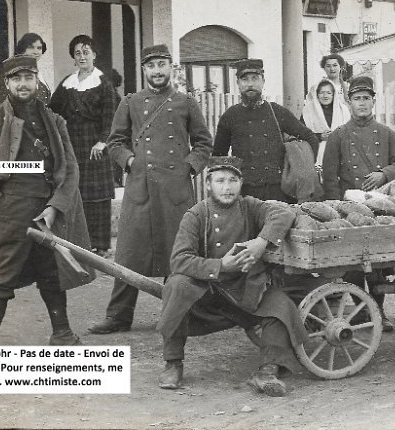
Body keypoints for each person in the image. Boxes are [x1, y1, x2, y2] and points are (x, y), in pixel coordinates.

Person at [0, 55, 91, 345]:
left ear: (37, 81)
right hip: (10, 210)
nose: (23, 84)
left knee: (51, 270)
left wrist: (56, 206)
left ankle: (62, 333)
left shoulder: (54, 121)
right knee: (2, 272)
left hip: (46, 212)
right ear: (7, 84)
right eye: (16, 79)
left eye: (28, 77)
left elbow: (69, 167)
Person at [88, 44, 213, 334]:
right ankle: (118, 316)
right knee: (129, 252)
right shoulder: (130, 102)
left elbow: (204, 143)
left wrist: (188, 168)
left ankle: (180, 313)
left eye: (161, 65)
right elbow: (115, 141)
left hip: (175, 191)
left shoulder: (186, 103)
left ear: (171, 68)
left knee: (179, 253)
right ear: (144, 70)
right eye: (151, 66)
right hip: (140, 189)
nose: (157, 71)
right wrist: (129, 161)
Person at [156, 156, 307, 395]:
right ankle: (173, 362)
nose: (227, 187)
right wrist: (220, 264)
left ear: (241, 182)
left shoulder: (250, 206)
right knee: (177, 285)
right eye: (220, 181)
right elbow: (179, 259)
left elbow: (283, 214)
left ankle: (267, 371)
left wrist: (261, 242)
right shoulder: (195, 215)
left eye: (233, 180)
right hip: (206, 293)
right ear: (208, 184)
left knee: (281, 307)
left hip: (244, 289)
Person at [322, 75, 395, 332]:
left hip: (381, 207)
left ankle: (378, 310)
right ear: (348, 103)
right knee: (354, 265)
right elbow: (329, 177)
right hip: (350, 211)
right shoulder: (338, 136)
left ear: (374, 101)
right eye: (357, 99)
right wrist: (338, 208)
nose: (362, 103)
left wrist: (384, 174)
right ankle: (362, 311)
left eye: (366, 99)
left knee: (379, 264)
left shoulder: (386, 133)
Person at [213, 58, 319, 202]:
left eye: (255, 78)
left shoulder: (277, 112)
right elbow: (218, 157)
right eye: (245, 79)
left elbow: (310, 137)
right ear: (237, 83)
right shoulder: (230, 116)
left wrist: (302, 169)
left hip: (278, 191)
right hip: (245, 192)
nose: (250, 84)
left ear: (263, 81)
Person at [49, 35, 118, 256]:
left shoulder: (103, 83)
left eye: (86, 52)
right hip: (73, 144)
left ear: (94, 55)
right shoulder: (68, 83)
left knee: (97, 197)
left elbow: (112, 116)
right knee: (76, 191)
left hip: (95, 146)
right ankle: (81, 242)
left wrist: (102, 141)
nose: (82, 56)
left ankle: (101, 246)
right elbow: (53, 110)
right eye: (77, 53)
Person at [301, 78, 350, 168]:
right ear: (316, 94)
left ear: (333, 94)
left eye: (328, 93)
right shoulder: (308, 112)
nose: (325, 96)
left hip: (340, 157)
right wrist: (320, 136)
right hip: (315, 157)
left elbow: (350, 134)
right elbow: (301, 135)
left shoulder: (343, 110)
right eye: (322, 92)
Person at [15, 32, 52, 104]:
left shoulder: (38, 74)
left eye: (39, 48)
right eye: (31, 47)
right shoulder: (18, 73)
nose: (36, 52)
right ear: (22, 50)